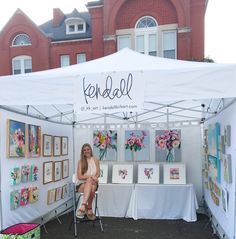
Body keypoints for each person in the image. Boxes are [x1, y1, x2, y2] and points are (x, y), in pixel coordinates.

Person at [76, 143, 100, 220]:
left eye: (88, 149)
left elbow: (98, 173)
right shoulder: (80, 161)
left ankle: (83, 206)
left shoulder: (95, 160)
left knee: (91, 183)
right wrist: (91, 177)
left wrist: (94, 178)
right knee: (92, 187)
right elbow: (80, 176)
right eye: (84, 150)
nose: (86, 151)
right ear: (83, 152)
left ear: (90, 150)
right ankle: (89, 208)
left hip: (93, 182)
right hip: (81, 184)